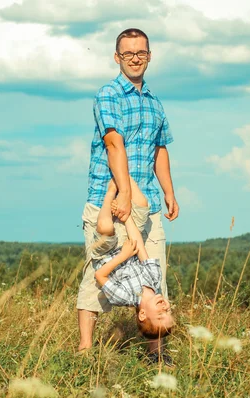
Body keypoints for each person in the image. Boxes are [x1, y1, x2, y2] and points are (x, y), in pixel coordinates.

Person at [77, 27, 179, 365]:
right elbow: (113, 143)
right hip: (109, 198)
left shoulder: (155, 102)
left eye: (141, 52)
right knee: (100, 273)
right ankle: (85, 352)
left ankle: (157, 357)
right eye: (127, 53)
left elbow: (159, 149)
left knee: (156, 279)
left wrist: (169, 191)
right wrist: (121, 191)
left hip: (147, 202)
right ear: (117, 57)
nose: (135, 58)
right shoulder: (109, 94)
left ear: (149, 56)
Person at [92, 179, 174, 339]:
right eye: (168, 312)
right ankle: (123, 175)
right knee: (142, 203)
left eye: (160, 315)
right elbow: (140, 247)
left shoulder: (123, 297)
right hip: (127, 243)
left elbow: (100, 275)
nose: (164, 309)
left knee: (105, 226)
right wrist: (125, 217)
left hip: (106, 251)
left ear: (142, 314)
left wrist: (124, 255)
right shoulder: (155, 279)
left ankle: (110, 192)